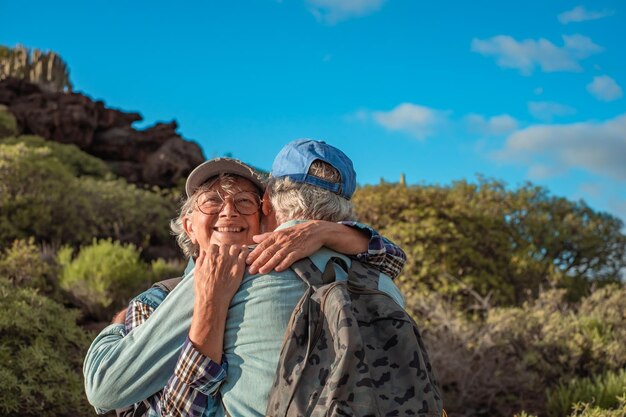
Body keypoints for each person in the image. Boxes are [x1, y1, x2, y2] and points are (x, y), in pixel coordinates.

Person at [84, 139, 407, 417]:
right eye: (212, 201)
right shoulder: (381, 280)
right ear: (187, 225)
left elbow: (106, 388)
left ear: (265, 208)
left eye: (244, 202)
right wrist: (333, 232)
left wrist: (115, 324)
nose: (229, 211)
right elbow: (393, 258)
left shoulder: (249, 265)